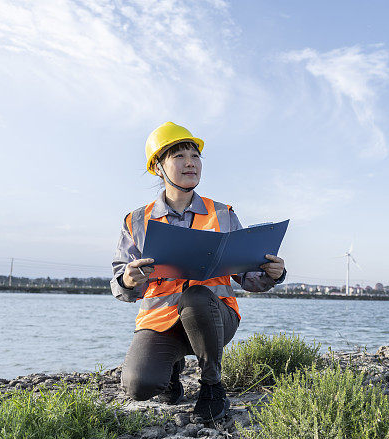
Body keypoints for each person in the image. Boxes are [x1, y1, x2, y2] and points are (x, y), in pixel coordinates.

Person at [110, 122, 286, 422]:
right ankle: (171, 372)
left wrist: (271, 273)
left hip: (214, 316)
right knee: (138, 386)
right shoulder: (136, 221)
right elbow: (120, 283)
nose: (190, 162)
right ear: (158, 168)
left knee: (194, 297)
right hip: (160, 319)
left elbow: (247, 279)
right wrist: (128, 279)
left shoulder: (223, 213)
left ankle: (212, 386)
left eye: (195, 155)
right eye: (179, 156)